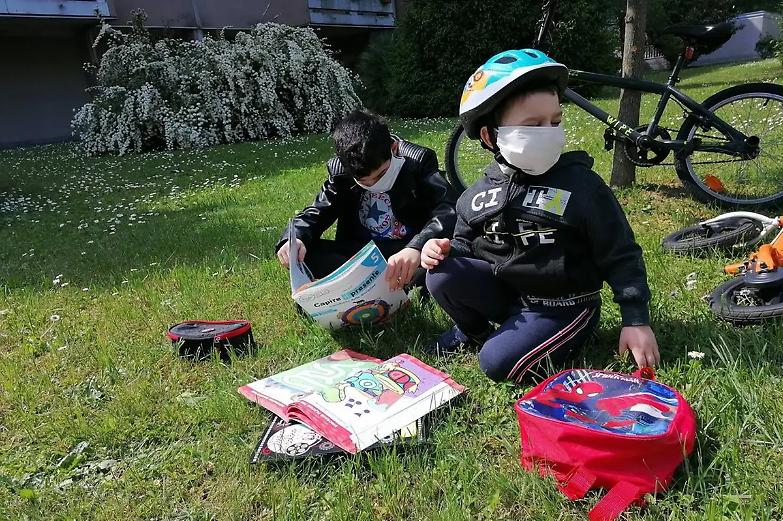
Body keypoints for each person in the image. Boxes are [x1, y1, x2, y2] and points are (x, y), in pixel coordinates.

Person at [420, 49, 660, 383]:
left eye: (555, 122)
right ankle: (472, 331)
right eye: (532, 125)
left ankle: (529, 337)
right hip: (510, 294)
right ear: (490, 136)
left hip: (563, 305)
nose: (549, 133)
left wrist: (636, 319)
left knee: (495, 362)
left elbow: (621, 253)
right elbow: (464, 245)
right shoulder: (476, 195)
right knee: (441, 274)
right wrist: (441, 250)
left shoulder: (581, 187)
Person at [277, 109, 457, 291]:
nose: (374, 183)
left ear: (393, 148)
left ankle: (403, 279)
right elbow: (318, 211)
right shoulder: (341, 173)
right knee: (304, 252)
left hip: (405, 250)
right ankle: (374, 283)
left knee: (443, 257)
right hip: (360, 254)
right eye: (364, 181)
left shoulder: (417, 161)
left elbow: (447, 209)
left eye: (381, 174)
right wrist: (294, 239)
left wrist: (417, 247)